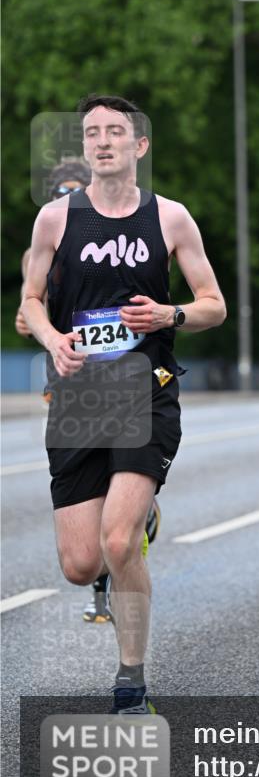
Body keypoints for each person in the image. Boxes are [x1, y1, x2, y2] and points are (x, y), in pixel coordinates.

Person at [21, 94, 226, 712]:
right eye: (92, 133)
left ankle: (131, 682)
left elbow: (213, 303)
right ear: (85, 148)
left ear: (139, 146)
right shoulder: (55, 221)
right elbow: (29, 301)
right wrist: (55, 340)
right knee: (81, 565)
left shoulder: (171, 218)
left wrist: (171, 313)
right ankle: (140, 520)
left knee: (117, 543)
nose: (103, 141)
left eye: (116, 132)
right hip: (80, 397)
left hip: (147, 389)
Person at [16, 157, 160, 625]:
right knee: (85, 516)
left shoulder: (125, 239)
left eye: (75, 193)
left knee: (115, 525)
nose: (70, 202)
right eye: (61, 195)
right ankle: (101, 577)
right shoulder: (44, 242)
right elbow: (30, 310)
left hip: (130, 379)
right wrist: (37, 328)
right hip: (71, 379)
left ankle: (136, 517)